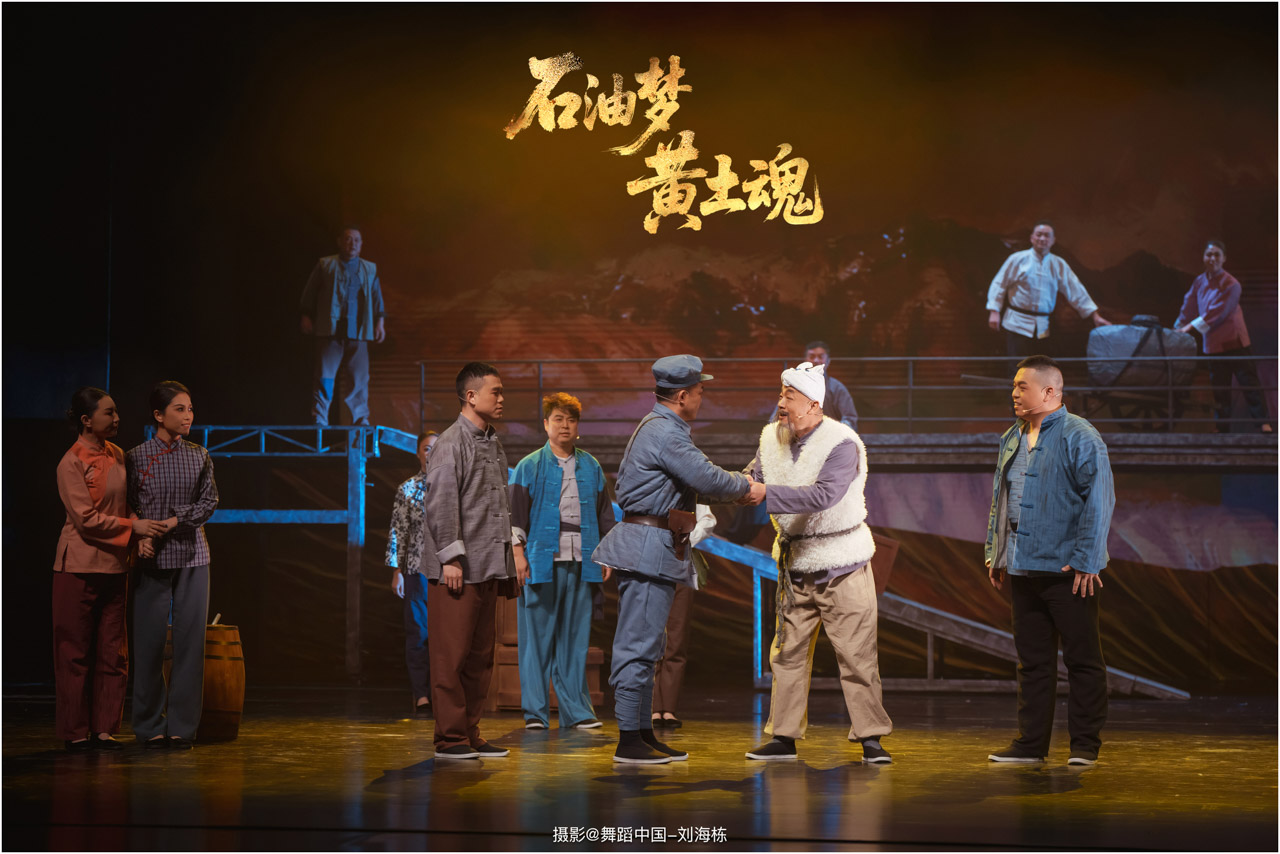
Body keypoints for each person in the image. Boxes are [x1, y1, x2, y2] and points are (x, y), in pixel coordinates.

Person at [593, 355, 765, 764]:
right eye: (700, 391)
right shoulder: (665, 432)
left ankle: (641, 733)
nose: (703, 397)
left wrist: (738, 486)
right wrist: (746, 488)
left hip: (655, 544)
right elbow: (705, 476)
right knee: (638, 645)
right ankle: (628, 740)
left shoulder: (663, 428)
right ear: (683, 396)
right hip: (648, 546)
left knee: (649, 644)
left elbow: (693, 482)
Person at [743, 362, 893, 764]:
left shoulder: (842, 443)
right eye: (780, 394)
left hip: (841, 564)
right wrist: (723, 487)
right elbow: (751, 476)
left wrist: (763, 492)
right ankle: (784, 736)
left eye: (788, 396)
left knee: (856, 655)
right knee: (787, 654)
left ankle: (871, 737)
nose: (780, 402)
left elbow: (823, 495)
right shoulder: (771, 438)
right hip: (796, 566)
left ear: (813, 404)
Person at [985, 355, 1115, 766]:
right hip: (1023, 565)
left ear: (1049, 391)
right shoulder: (1012, 436)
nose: (1014, 393)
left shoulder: (1080, 435)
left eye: (1021, 386)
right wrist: (997, 553)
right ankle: (1031, 745)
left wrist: (1087, 560)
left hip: (1067, 569)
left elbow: (1100, 499)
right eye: (1014, 386)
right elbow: (1001, 499)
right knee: (1033, 662)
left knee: (1082, 659)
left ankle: (1085, 746)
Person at [53, 388, 173, 752]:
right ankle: (75, 732)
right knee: (74, 651)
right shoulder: (71, 462)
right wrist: (133, 528)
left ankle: (104, 729)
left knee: (114, 652)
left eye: (116, 411)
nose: (116, 418)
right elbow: (86, 519)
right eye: (108, 413)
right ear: (86, 420)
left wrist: (141, 531)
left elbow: (126, 504)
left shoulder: (118, 454)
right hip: (78, 565)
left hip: (115, 565)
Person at [421, 362, 518, 760]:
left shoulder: (493, 443)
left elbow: (496, 506)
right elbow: (440, 503)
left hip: (488, 565)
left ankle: (469, 733)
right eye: (496, 391)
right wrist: (450, 558)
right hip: (458, 569)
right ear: (471, 396)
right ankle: (450, 739)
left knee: (479, 658)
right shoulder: (450, 442)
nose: (502, 398)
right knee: (451, 658)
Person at [509, 392, 617, 731]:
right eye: (558, 419)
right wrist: (517, 555)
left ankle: (577, 712)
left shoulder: (591, 465)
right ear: (546, 424)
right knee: (537, 639)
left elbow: (604, 514)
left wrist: (606, 554)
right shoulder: (529, 466)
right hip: (540, 560)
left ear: (578, 426)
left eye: (571, 420)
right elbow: (514, 516)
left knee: (574, 638)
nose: (565, 425)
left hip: (582, 559)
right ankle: (535, 713)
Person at [126, 381, 220, 750]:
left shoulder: (199, 455)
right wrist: (141, 534)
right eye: (179, 409)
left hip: (193, 555)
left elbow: (209, 502)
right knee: (148, 643)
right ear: (158, 415)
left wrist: (173, 521)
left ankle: (182, 726)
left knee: (189, 644)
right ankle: (149, 725)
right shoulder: (135, 457)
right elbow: (127, 504)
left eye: (190, 409)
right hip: (151, 558)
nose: (188, 416)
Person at [1175, 240, 1272, 433]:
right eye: (1209, 254)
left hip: (1235, 342)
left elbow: (1217, 313)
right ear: (1203, 257)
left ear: (1224, 258)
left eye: (1216, 254)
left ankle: (1263, 423)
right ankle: (1222, 427)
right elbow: (1189, 304)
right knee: (1220, 388)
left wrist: (1188, 328)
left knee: (1249, 384)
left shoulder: (1232, 284)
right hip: (1213, 344)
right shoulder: (1200, 281)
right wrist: (1177, 327)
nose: (1212, 258)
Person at [986, 222, 1112, 362]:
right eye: (1039, 235)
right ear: (1032, 238)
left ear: (1053, 240)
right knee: (1018, 368)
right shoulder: (1017, 259)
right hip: (1017, 323)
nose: (1042, 239)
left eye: (1047, 236)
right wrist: (994, 310)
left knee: (1042, 367)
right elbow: (999, 283)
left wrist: (1094, 316)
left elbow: (1075, 290)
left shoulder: (1058, 264)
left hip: (1043, 325)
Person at [300, 226, 386, 426]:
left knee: (359, 379)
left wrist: (380, 321)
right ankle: (320, 418)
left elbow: (376, 297)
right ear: (340, 241)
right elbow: (310, 291)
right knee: (325, 377)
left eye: (356, 240)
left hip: (358, 331)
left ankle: (360, 418)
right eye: (348, 239)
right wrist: (306, 314)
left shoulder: (369, 268)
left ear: (361, 244)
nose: (352, 243)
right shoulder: (326, 265)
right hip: (330, 331)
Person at [387, 430, 438, 715]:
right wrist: (397, 570)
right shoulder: (407, 489)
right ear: (418, 453)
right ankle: (421, 695)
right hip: (416, 570)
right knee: (418, 633)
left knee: (445, 637)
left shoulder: (454, 487)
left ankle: (443, 693)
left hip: (448, 571)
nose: (431, 453)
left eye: (436, 448)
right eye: (427, 448)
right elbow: (399, 531)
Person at [650, 503, 715, 729]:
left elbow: (708, 519)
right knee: (650, 637)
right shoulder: (650, 490)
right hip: (650, 563)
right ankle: (651, 707)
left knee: (676, 638)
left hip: (681, 565)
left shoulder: (690, 490)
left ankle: (668, 708)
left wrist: (685, 540)